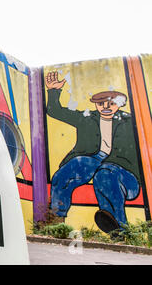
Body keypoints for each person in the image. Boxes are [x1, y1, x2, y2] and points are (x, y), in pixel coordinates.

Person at [45, 71, 140, 233]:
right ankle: (55, 220)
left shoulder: (132, 122)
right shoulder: (87, 118)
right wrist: (54, 91)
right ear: (96, 105)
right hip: (93, 160)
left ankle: (119, 230)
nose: (106, 107)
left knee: (106, 174)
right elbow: (55, 111)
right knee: (71, 167)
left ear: (120, 104)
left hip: (121, 170)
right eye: (101, 104)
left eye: (111, 104)